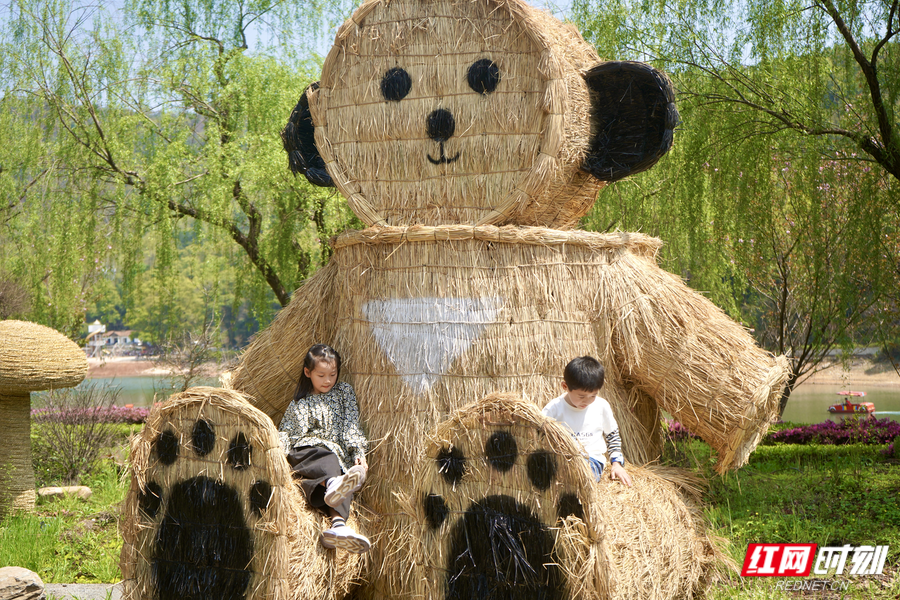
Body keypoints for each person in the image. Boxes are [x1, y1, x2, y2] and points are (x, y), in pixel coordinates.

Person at [278, 344, 371, 552]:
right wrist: (273, 456)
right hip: (305, 453)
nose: (328, 380)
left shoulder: (344, 392)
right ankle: (332, 483)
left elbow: (351, 424)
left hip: (334, 458)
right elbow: (285, 433)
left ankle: (338, 528)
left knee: (342, 472)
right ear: (308, 373)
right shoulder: (300, 403)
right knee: (330, 462)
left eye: (332, 374)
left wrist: (358, 452)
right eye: (321, 375)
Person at [542, 356, 633, 487]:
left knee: (581, 478)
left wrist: (616, 464)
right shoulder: (554, 408)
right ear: (565, 386)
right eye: (581, 396)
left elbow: (612, 436)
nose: (588, 401)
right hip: (561, 458)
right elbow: (539, 433)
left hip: (591, 460)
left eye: (593, 395)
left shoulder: (601, 406)